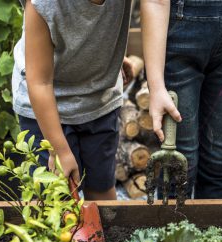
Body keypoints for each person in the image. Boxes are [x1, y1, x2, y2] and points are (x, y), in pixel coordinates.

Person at [140, 0, 222, 199]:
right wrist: (156, 87)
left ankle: (213, 229)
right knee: (181, 164)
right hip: (181, 39)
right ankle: (173, 229)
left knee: (217, 163)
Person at [12, 0, 134, 200]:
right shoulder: (43, 3)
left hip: (99, 101)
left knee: (102, 188)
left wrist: (109, 55)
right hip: (45, 107)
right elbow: (40, 83)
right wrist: (59, 150)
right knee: (57, 198)